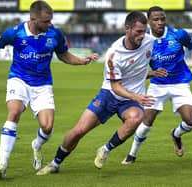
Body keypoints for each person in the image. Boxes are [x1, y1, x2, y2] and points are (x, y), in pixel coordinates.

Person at [0, 0, 98, 179]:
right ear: (33, 19)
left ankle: (37, 145)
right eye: (46, 21)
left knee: (47, 127)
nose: (50, 24)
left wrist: (82, 60)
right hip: (19, 79)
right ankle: (3, 164)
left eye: (51, 20)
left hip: (43, 84)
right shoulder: (15, 33)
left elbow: (63, 55)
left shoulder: (54, 33)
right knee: (14, 112)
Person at [36, 11, 162, 175]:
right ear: (127, 29)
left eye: (144, 31)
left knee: (136, 118)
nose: (142, 35)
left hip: (130, 100)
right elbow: (116, 86)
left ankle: (105, 149)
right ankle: (55, 163)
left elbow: (137, 70)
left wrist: (153, 73)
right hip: (109, 95)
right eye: (138, 32)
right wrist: (137, 96)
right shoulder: (114, 54)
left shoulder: (149, 42)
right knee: (79, 131)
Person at [121, 6, 192, 164]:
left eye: (162, 18)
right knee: (147, 121)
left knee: (190, 121)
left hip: (180, 83)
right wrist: (150, 74)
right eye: (156, 19)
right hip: (157, 85)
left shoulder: (178, 34)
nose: (160, 22)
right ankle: (132, 154)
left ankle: (176, 134)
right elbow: (135, 69)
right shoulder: (143, 41)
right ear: (148, 22)